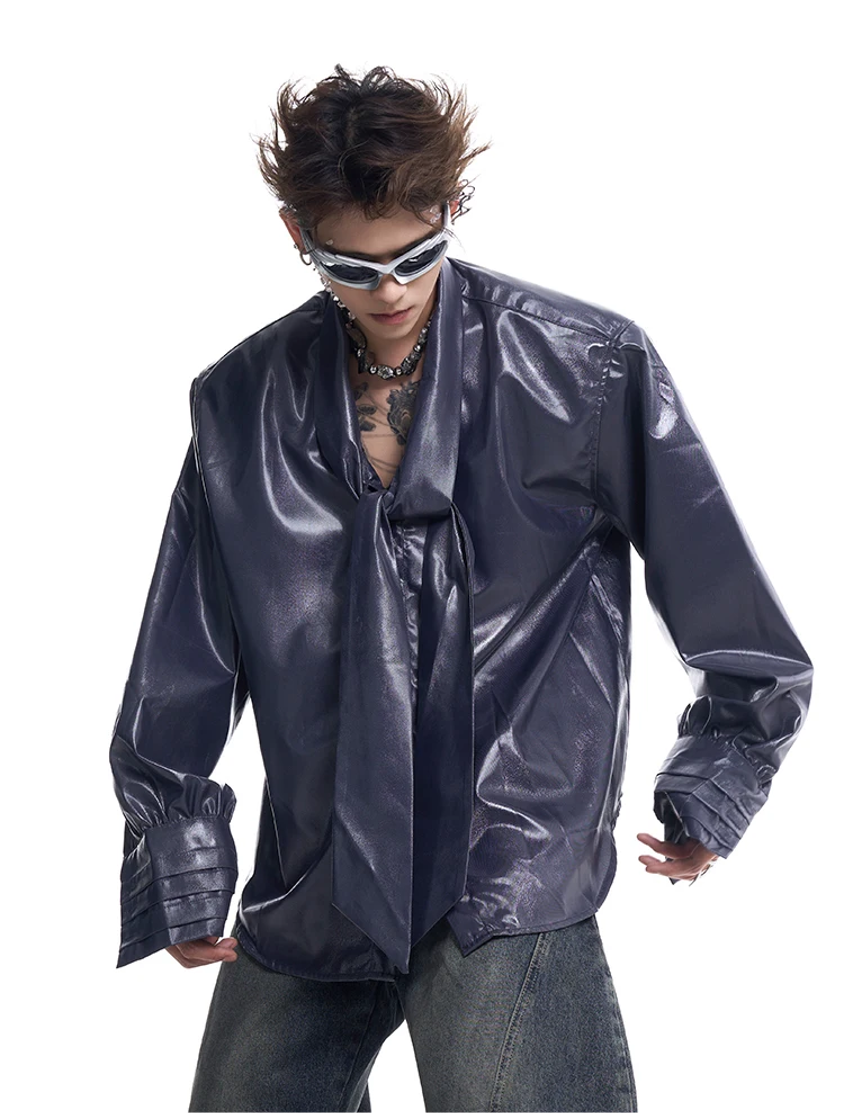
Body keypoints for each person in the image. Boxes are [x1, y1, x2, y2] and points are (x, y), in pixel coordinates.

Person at [109, 64, 814, 1113]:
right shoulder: (238, 406)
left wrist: (717, 775)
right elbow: (185, 648)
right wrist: (178, 849)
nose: (390, 291)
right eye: (351, 266)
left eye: (416, 253)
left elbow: (725, 597)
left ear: (448, 207)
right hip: (314, 868)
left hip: (504, 859)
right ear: (296, 234)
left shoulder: (583, 367)